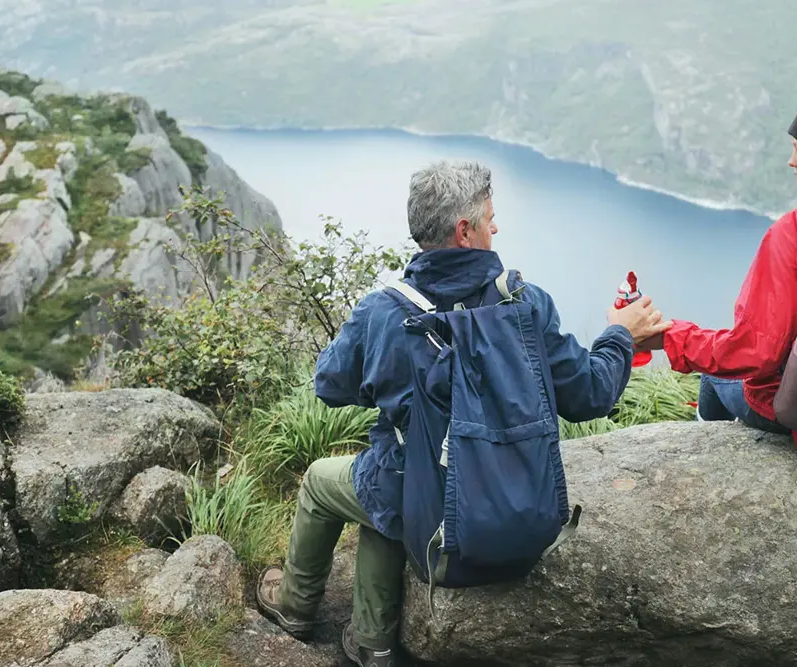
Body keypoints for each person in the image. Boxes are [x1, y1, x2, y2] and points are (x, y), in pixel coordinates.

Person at [256, 159, 672, 666]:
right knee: (386, 477)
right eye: (489, 217)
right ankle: (370, 641)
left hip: (437, 526)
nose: (496, 226)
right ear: (465, 231)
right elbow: (590, 394)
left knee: (340, 480)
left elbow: (329, 384)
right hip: (523, 520)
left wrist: (393, 384)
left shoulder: (385, 312)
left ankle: (305, 612)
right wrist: (620, 335)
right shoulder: (526, 304)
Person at [638, 91, 797, 541]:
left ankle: (714, 480)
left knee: (715, 381)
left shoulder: (796, 231)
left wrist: (668, 338)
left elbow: (755, 353)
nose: (791, 161)